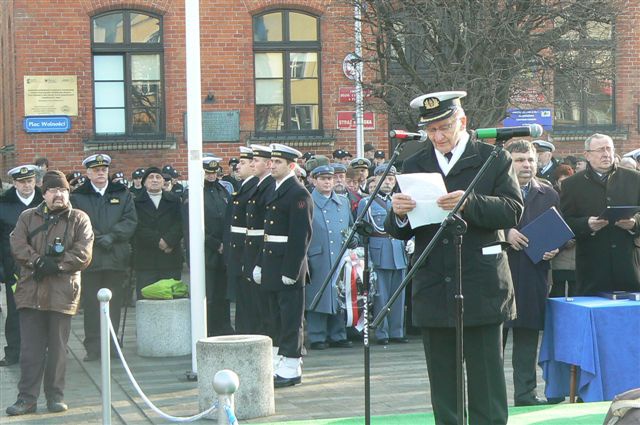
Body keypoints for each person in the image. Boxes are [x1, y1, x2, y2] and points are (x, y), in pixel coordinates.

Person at [385, 91, 523, 425]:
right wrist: (399, 214)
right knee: (443, 383)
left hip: (481, 282)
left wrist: (470, 202)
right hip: (434, 281)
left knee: (486, 381)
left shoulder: (492, 158)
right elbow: (399, 228)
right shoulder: (413, 162)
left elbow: (513, 210)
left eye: (444, 127)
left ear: (462, 122)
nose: (438, 136)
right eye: (431, 130)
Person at [6, 170, 93, 416]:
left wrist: (58, 265)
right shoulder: (27, 217)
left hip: (62, 293)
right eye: (53, 190)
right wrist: (37, 262)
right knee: (30, 351)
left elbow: (84, 252)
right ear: (43, 194)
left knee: (58, 349)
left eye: (63, 190)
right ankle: (26, 399)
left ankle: (55, 396)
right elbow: (17, 244)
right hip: (30, 292)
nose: (59, 195)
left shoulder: (79, 218)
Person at [503, 140, 559, 406]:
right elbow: (471, 226)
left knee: (526, 340)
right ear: (507, 162)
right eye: (519, 160)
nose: (526, 165)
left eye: (530, 159)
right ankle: (489, 396)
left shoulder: (548, 193)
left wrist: (554, 248)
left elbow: (558, 231)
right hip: (498, 274)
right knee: (493, 343)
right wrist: (504, 233)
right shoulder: (493, 190)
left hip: (533, 274)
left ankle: (525, 395)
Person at [253, 143, 312, 388]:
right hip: (270, 261)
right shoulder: (274, 190)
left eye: (277, 162)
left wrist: (292, 269)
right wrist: (259, 263)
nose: (272, 165)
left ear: (291, 165)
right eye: (271, 161)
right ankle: (280, 360)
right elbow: (266, 232)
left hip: (288, 264)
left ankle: (291, 363)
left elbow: (301, 236)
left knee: (290, 317)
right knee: (273, 315)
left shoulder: (298, 194)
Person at [70, 154, 137, 361]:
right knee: (91, 304)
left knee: (114, 303)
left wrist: (113, 236)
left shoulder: (122, 193)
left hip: (116, 257)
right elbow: (77, 222)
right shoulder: (79, 196)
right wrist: (99, 238)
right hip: (91, 257)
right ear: (88, 173)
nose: (100, 173)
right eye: (96, 170)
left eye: (104, 169)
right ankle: (93, 347)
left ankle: (111, 344)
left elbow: (130, 220)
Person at [559, 133, 640, 295]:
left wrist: (635, 223)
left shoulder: (634, 179)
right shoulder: (571, 184)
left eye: (609, 149)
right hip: (592, 267)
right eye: (600, 150)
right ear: (587, 155)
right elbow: (565, 222)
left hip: (629, 264)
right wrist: (586, 224)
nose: (606, 154)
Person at [183, 157, 233, 336]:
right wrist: (215, 243)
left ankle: (224, 326)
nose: (211, 176)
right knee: (208, 294)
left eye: (214, 172)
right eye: (208, 173)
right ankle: (208, 328)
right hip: (205, 250)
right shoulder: (194, 194)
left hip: (223, 250)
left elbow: (229, 219)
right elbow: (192, 226)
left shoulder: (223, 192)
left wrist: (225, 243)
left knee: (223, 292)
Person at [305, 165, 354, 350]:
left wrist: (353, 238)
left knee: (340, 294)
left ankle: (338, 334)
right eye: (323, 178)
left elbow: (350, 225)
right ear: (314, 180)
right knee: (318, 295)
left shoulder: (343, 202)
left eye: (330, 178)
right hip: (317, 255)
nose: (327, 182)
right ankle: (317, 336)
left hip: (340, 255)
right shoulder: (308, 201)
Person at [359, 165, 408, 345]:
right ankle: (382, 333)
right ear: (376, 179)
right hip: (378, 251)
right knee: (381, 296)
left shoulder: (400, 201)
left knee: (398, 295)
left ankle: (397, 331)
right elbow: (363, 231)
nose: (388, 182)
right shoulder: (367, 203)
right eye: (385, 178)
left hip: (398, 250)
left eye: (391, 179)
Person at [0, 165, 43, 367]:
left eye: (30, 181)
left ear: (35, 181)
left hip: (43, 268)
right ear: (15, 183)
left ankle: (43, 349)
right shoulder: (3, 205)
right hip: (14, 269)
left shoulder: (45, 202)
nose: (27, 185)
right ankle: (13, 352)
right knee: (16, 310)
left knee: (44, 309)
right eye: (22, 182)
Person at [132, 167, 184, 297]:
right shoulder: (135, 202)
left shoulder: (174, 200)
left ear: (163, 181)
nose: (154, 180)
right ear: (144, 182)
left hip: (170, 258)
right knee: (147, 298)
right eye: (150, 177)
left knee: (171, 299)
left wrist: (168, 241)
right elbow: (137, 226)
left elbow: (180, 223)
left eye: (158, 177)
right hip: (146, 261)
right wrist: (158, 241)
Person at [242, 145, 275, 337]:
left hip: (262, 249)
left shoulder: (269, 187)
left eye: (256, 160)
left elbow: (268, 227)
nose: (252, 164)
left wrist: (260, 260)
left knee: (265, 303)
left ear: (267, 164)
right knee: (256, 300)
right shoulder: (259, 185)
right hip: (252, 248)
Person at [225, 147, 258, 333]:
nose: (238, 167)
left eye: (243, 163)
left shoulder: (253, 189)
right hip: (240, 256)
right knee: (243, 304)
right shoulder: (244, 188)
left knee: (249, 306)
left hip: (248, 257)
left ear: (254, 166)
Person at [550, 165, 577, 298]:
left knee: (576, 292)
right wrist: (563, 241)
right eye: (562, 182)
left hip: (576, 254)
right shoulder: (552, 198)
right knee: (557, 292)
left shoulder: (579, 197)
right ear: (556, 182)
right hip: (557, 255)